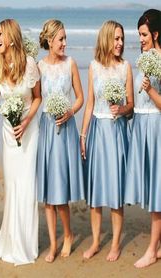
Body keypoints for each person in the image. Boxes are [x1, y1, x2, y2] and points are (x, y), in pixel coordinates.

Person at [0, 19, 41, 266]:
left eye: (0, 34)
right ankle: (10, 238)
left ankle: (25, 244)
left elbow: (38, 98)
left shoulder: (30, 65)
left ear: (12, 37)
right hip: (8, 133)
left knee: (26, 184)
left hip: (28, 129)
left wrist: (25, 122)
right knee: (13, 184)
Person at [81, 20, 134, 262]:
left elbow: (131, 105)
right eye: (116, 38)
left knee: (114, 190)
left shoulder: (126, 68)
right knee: (96, 191)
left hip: (116, 134)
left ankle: (114, 244)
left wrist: (121, 109)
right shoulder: (93, 67)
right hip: (97, 133)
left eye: (122, 39)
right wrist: (83, 135)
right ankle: (94, 242)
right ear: (106, 39)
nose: (120, 43)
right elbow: (90, 104)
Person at [37, 19, 85, 263]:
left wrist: (69, 112)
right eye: (61, 39)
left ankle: (68, 234)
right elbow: (32, 96)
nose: (65, 43)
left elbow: (80, 98)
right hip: (46, 128)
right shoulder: (39, 67)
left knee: (61, 188)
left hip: (65, 129)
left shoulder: (71, 64)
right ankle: (54, 244)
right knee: (47, 191)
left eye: (65, 38)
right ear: (49, 40)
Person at [124, 9, 161, 268]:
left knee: (157, 190)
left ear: (156, 34)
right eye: (139, 34)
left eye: (144, 34)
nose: (141, 39)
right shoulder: (144, 58)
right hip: (141, 125)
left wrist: (150, 89)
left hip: (156, 127)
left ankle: (151, 249)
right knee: (151, 187)